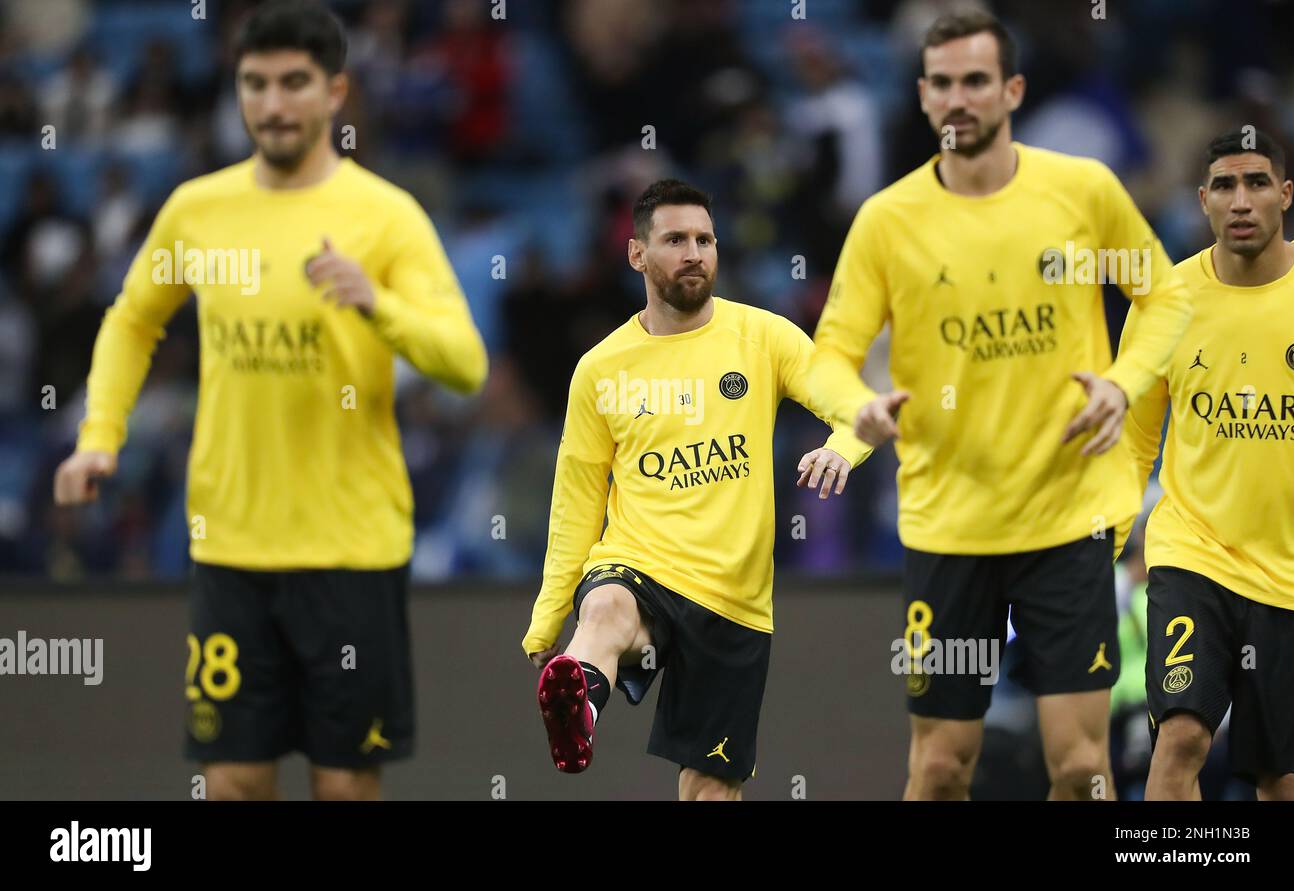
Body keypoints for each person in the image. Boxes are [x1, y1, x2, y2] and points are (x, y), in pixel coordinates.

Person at [52, 0, 487, 800]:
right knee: (233, 780)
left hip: (351, 549)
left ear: (334, 92)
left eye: (294, 82)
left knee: (345, 786)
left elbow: (465, 364)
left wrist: (376, 305)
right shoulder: (198, 209)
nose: (274, 103)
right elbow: (132, 318)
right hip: (232, 546)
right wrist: (99, 435)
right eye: (255, 83)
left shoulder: (385, 215)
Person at [807, 11, 1191, 800]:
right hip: (949, 527)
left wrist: (1122, 380)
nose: (959, 98)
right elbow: (831, 356)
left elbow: (1163, 297)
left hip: (1067, 518)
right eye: (942, 83)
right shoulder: (889, 222)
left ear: (1011, 89)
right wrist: (860, 412)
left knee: (1082, 768)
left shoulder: (1081, 194)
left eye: (976, 80)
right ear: (920, 96)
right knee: (942, 767)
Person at [522, 179, 869, 800]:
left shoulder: (765, 338)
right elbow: (576, 500)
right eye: (675, 239)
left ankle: (585, 691)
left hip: (732, 596)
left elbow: (854, 406)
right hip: (639, 562)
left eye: (705, 239)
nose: (694, 253)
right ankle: (578, 700)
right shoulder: (601, 368)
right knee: (603, 610)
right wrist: (549, 615)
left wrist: (841, 449)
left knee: (710, 787)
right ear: (636, 255)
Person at [1126, 129, 1294, 801]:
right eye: (1224, 186)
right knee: (1183, 737)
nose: (1241, 200)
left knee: (1280, 780)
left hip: (1287, 573)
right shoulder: (1166, 303)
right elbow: (1136, 443)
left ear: (1284, 195)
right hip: (1193, 553)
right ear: (1202, 201)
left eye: (1257, 182)